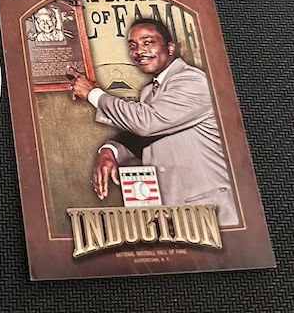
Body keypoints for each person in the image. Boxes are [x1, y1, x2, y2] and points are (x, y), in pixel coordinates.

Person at [69, 18, 238, 225]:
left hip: (213, 213)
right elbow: (144, 137)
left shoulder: (193, 81)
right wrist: (110, 150)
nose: (139, 51)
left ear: (170, 48)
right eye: (133, 45)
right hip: (171, 214)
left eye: (148, 42)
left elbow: (146, 123)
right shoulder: (149, 91)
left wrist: (93, 94)